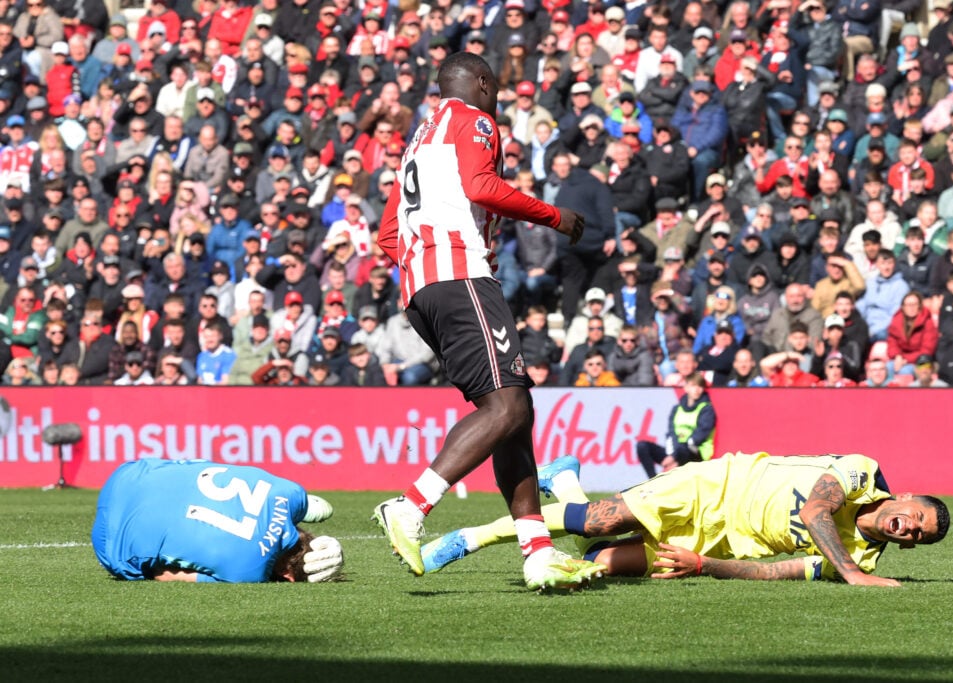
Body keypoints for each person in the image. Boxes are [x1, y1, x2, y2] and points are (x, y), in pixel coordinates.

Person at [374, 52, 604, 590]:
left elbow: (388, 233)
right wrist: (556, 217)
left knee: (512, 415)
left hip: (422, 288)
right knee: (508, 407)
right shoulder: (473, 120)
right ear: (481, 82)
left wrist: (426, 265)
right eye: (495, 88)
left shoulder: (419, 138)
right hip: (461, 276)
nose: (496, 98)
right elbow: (481, 187)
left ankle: (538, 552)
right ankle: (410, 506)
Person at [421, 453, 949, 586]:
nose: (910, 527)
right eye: (917, 515)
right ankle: (469, 538)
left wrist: (704, 565)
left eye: (918, 535)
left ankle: (562, 482)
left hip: (718, 541)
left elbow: (777, 571)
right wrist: (852, 575)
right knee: (599, 522)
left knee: (598, 562)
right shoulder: (861, 471)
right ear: (905, 497)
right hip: (714, 486)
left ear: (908, 546)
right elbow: (816, 511)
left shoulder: (859, 558)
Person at [92, 459, 343, 583]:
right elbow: (167, 575)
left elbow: (312, 507)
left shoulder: (291, 492)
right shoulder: (247, 574)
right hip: (110, 543)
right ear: (288, 576)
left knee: (202, 467)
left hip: (131, 472)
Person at [636, 373, 715, 478]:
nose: (696, 390)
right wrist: (672, 454)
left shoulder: (707, 409)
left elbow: (699, 436)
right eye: (693, 385)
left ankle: (672, 470)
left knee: (683, 448)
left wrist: (674, 457)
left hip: (696, 453)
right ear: (686, 387)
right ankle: (653, 480)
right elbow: (671, 432)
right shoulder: (677, 409)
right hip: (676, 452)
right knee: (642, 446)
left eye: (700, 386)